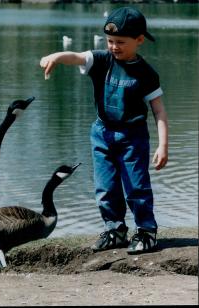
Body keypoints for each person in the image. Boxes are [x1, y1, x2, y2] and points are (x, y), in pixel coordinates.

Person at [40, 7, 168, 254]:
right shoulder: (102, 61)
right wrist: (56, 56)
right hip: (102, 133)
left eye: (120, 42)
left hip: (133, 136)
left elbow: (159, 111)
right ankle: (116, 230)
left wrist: (163, 146)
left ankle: (146, 231)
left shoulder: (146, 73)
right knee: (105, 186)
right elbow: (77, 57)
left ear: (139, 40)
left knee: (136, 186)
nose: (113, 47)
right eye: (110, 41)